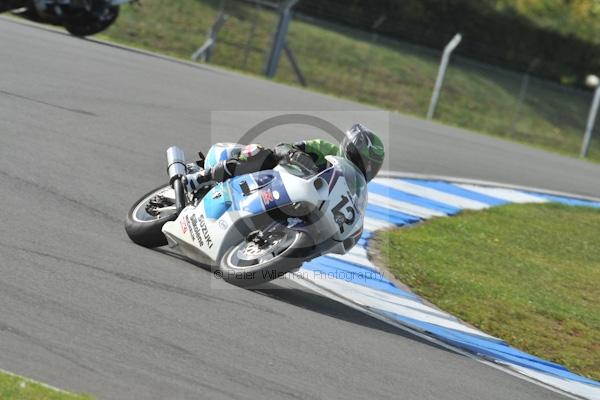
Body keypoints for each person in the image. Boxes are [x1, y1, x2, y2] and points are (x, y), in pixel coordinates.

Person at [183, 123, 384, 193]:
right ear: (349, 149)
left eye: (371, 166)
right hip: (278, 178)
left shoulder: (357, 188)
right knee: (263, 154)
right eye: (363, 161)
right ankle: (201, 178)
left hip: (300, 199)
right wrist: (295, 154)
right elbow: (283, 147)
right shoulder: (325, 148)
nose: (365, 168)